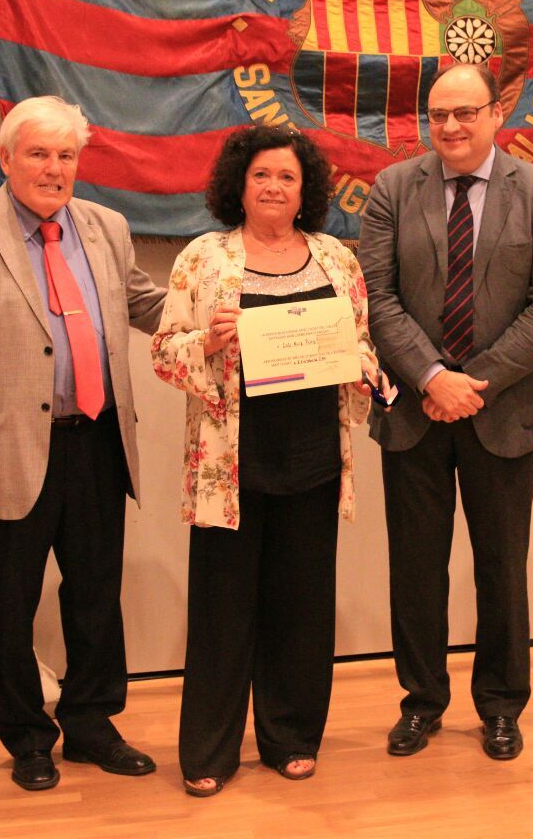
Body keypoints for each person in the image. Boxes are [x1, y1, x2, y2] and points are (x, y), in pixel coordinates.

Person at [0, 95, 166, 791]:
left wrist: (218, 303)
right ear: (7, 158)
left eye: (67, 155)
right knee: (5, 605)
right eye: (40, 154)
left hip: (98, 443)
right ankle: (26, 739)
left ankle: (91, 725)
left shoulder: (105, 227)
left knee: (94, 598)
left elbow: (144, 302)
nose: (55, 168)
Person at [151, 125, 380, 797]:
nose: (274, 187)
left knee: (302, 607)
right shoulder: (203, 258)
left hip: (312, 458)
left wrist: (361, 368)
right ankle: (210, 753)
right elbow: (164, 351)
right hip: (232, 464)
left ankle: (291, 737)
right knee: (223, 611)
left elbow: (362, 347)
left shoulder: (338, 258)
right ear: (239, 186)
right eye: (261, 176)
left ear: (306, 189)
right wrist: (209, 344)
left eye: (287, 177)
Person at [358, 63, 533, 761]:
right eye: (438, 114)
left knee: (500, 567)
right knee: (416, 569)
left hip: (502, 411)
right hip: (414, 411)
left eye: (465, 112)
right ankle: (421, 703)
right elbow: (377, 297)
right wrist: (429, 377)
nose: (450, 126)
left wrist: (467, 383)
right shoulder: (393, 189)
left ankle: (502, 706)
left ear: (496, 113)